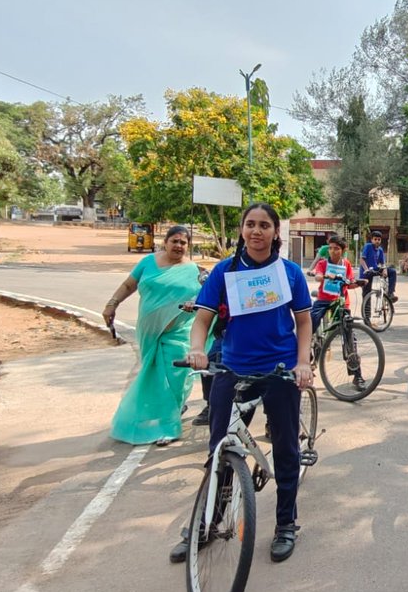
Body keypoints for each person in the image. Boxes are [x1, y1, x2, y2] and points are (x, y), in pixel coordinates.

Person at [173, 202, 315, 564]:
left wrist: (303, 363)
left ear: (275, 232)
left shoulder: (290, 273)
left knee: (286, 450)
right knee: (218, 452)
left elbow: (303, 322)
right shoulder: (225, 271)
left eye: (264, 225)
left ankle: (286, 524)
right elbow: (202, 320)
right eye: (250, 224)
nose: (256, 231)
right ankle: (207, 523)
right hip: (232, 369)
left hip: (280, 372)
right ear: (241, 229)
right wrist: (196, 349)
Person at [103, 225, 201, 446]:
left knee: (175, 377)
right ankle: (161, 415)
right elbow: (129, 285)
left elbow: (206, 298)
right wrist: (112, 304)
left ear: (188, 246)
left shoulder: (194, 271)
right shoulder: (148, 262)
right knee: (153, 376)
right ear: (165, 242)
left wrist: (194, 303)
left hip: (179, 333)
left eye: (183, 242)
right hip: (149, 332)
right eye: (174, 241)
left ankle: (169, 426)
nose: (178, 246)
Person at [310, 235, 357, 332]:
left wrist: (359, 283)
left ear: (343, 250)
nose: (332, 251)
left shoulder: (346, 264)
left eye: (336, 248)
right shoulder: (322, 263)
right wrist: (324, 276)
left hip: (341, 300)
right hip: (324, 299)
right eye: (330, 248)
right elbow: (318, 276)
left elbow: (350, 283)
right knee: (312, 321)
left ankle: (350, 341)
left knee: (347, 324)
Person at [360, 230, 399, 303]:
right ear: (371, 240)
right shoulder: (368, 246)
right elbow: (362, 260)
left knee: (392, 271)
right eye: (375, 239)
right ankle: (367, 310)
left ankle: (390, 293)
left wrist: (385, 269)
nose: (377, 241)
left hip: (375, 270)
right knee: (366, 294)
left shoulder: (380, 250)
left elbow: (383, 263)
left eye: (379, 239)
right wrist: (366, 269)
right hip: (366, 272)